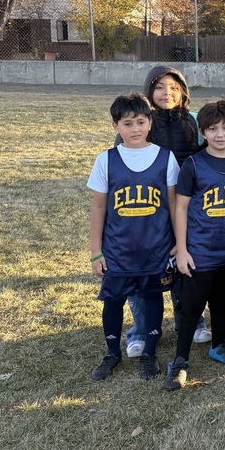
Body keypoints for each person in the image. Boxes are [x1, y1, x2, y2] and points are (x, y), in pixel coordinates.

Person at [87, 93, 180, 381]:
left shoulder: (166, 158)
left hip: (156, 248)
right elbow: (99, 206)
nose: (135, 129)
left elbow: (174, 204)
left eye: (141, 122)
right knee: (113, 301)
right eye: (128, 123)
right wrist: (95, 251)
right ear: (116, 126)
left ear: (150, 123)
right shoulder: (106, 159)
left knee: (152, 297)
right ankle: (112, 353)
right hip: (118, 249)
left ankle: (150, 352)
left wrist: (179, 242)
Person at [163, 100, 225, 390]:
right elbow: (180, 208)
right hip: (199, 252)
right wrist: (182, 248)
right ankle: (180, 360)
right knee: (190, 308)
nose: (220, 135)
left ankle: (218, 345)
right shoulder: (193, 165)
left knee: (222, 302)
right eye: (212, 129)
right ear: (203, 132)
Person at [126, 66, 207, 358]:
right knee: (141, 270)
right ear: (149, 91)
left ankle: (193, 320)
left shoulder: (195, 122)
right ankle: (139, 331)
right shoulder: (141, 123)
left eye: (173, 87)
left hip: (186, 206)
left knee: (185, 265)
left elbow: (209, 158)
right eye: (159, 87)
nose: (166, 93)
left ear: (183, 92)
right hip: (149, 210)